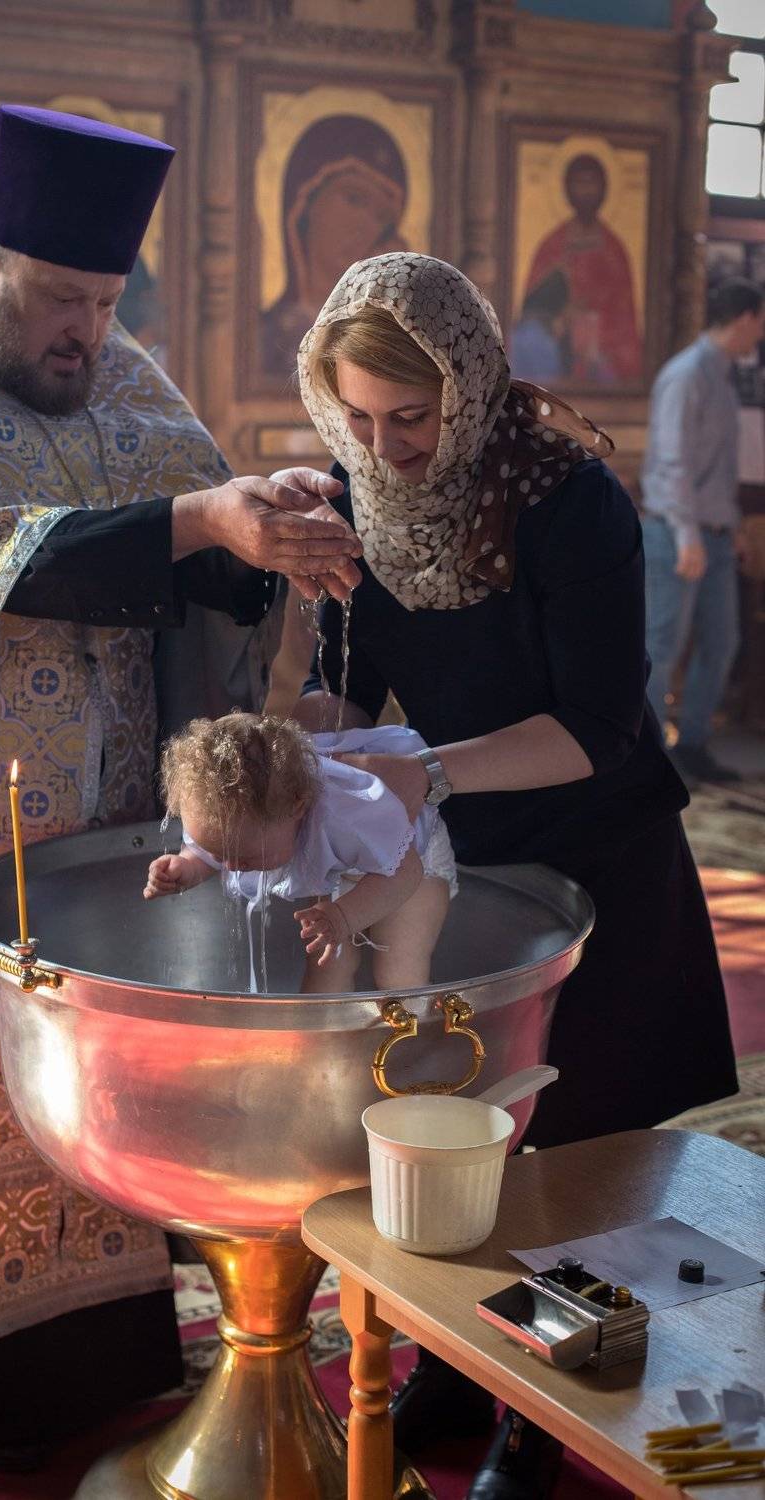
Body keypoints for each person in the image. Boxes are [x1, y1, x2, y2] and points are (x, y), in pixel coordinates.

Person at [0, 104, 362, 1469]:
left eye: (102, 303)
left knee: (104, 1051)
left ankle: (106, 1351)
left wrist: (258, 529)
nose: (83, 334)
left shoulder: (125, 386)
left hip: (106, 804)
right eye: (56, 302)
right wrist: (198, 521)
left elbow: (192, 536)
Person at [292, 252, 738, 1498]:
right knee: (458, 1138)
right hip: (466, 873)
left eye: (412, 419)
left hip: (597, 861)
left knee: (578, 1159)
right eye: (359, 420)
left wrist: (424, 773)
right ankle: (452, 1368)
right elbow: (347, 682)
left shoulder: (567, 500)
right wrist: (310, 752)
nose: (387, 452)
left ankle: (537, 1422)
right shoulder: (356, 497)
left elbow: (599, 727)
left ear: (470, 383)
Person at [144, 713, 455, 991]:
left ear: (298, 808)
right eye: (218, 853)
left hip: (410, 865)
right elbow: (215, 846)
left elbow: (405, 871)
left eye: (246, 857)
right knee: (325, 971)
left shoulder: (346, 815)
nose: (233, 867)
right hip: (345, 863)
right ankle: (323, 1036)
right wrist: (190, 865)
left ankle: (413, 1032)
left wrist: (343, 917)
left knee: (399, 973)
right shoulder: (245, 819)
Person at [641, 276, 765, 786]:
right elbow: (671, 462)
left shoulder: (722, 375)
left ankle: (691, 745)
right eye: (760, 323)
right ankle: (648, 757)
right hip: (676, 534)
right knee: (662, 646)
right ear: (746, 318)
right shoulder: (686, 374)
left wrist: (730, 529)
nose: (760, 334)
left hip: (713, 533)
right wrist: (689, 535)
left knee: (721, 642)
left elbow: (715, 469)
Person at [259, 114, 408, 378]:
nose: (365, 227)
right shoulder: (265, 336)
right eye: (354, 199)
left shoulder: (382, 343)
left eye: (381, 217)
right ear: (305, 201)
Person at [523, 152, 642, 385]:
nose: (586, 191)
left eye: (592, 183)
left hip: (604, 353)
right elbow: (531, 310)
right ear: (567, 189)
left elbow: (625, 318)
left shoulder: (614, 249)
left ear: (604, 189)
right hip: (558, 353)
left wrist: (596, 331)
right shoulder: (553, 245)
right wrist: (563, 316)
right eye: (579, 182)